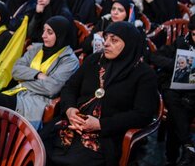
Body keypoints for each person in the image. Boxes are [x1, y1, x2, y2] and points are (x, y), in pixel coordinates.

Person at [43, 21, 158, 166]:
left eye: (114, 40)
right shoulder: (94, 60)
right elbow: (70, 87)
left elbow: (142, 115)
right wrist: (70, 109)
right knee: (40, 147)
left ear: (129, 44)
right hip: (72, 123)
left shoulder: (144, 75)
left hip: (106, 134)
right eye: (106, 38)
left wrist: (100, 124)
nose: (106, 44)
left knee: (75, 161)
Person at [0, 16, 79, 129]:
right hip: (18, 91)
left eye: (50, 32)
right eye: (44, 30)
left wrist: (25, 80)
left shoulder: (70, 60)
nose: (43, 35)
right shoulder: (37, 48)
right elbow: (15, 70)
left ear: (60, 35)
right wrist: (37, 75)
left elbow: (52, 88)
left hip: (36, 101)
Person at [149, 15, 195, 165]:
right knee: (172, 95)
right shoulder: (182, 42)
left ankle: (175, 156)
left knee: (179, 108)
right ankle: (187, 146)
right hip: (176, 88)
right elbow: (155, 57)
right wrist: (178, 65)